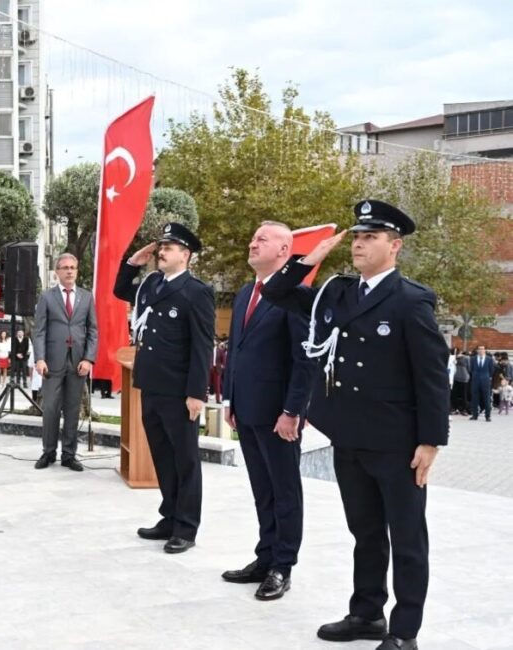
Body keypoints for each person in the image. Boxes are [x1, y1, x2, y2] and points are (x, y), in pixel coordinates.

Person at [261, 199, 448, 649]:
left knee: (406, 539)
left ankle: (404, 632)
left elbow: (432, 375)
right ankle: (366, 614)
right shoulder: (338, 293)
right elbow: (276, 292)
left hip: (397, 442)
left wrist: (430, 441)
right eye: (358, 237)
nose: (360, 244)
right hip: (350, 437)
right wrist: (312, 258)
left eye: (371, 237)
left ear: (395, 246)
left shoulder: (410, 300)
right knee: (364, 532)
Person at [221, 221, 317, 601]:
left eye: (261, 238)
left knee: (284, 490)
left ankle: (282, 565)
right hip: (246, 409)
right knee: (263, 490)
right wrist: (230, 399)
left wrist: (293, 409)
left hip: (279, 414)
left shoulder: (293, 295)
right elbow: (237, 350)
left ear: (284, 250)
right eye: (252, 236)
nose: (252, 242)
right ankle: (264, 557)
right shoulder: (247, 293)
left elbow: (303, 358)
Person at [114, 223, 214, 554]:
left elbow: (202, 346)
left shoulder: (195, 292)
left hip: (178, 389)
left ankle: (186, 527)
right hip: (151, 384)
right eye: (162, 247)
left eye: (169, 248)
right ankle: (169, 515)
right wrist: (132, 263)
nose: (162, 252)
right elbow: (119, 290)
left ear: (185, 255)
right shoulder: (153, 284)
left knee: (185, 460)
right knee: (162, 456)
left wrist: (197, 393)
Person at [33, 252, 98, 472]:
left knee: (72, 410)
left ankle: (69, 455)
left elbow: (93, 331)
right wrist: (39, 358)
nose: (69, 271)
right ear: (57, 272)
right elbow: (39, 331)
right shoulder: (47, 297)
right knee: (51, 408)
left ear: (77, 270)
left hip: (78, 363)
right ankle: (48, 452)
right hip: (52, 362)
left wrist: (89, 358)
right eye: (65, 267)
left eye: (73, 267)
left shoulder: (86, 297)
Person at [468, 345, 494, 422]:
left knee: (487, 398)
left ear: (485, 350)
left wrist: (487, 377)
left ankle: (487, 416)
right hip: (475, 381)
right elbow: (471, 369)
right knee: (474, 399)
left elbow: (491, 370)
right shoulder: (473, 359)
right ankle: (474, 415)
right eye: (479, 349)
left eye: (482, 349)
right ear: (477, 350)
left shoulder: (489, 359)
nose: (481, 350)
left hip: (485, 381)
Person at [452, 350, 470, 415]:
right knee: (454, 394)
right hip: (455, 378)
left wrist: (467, 375)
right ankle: (455, 408)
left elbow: (469, 368)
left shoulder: (466, 358)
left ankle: (464, 409)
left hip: (464, 378)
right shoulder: (453, 358)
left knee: (464, 395)